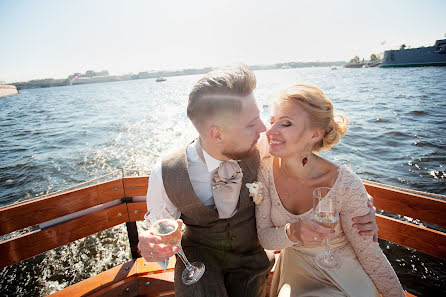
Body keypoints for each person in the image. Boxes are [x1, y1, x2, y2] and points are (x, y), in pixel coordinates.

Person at [138, 65, 379, 297]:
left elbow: (308, 163)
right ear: (217, 134)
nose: (264, 128)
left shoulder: (263, 147)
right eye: (252, 124)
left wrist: (360, 203)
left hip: (252, 263)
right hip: (199, 263)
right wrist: (152, 248)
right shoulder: (166, 173)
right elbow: (159, 236)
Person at [255, 84, 405, 297]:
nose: (270, 131)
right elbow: (266, 237)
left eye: (285, 123)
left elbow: (370, 254)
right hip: (296, 273)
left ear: (314, 134)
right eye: (272, 121)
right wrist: (292, 232)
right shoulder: (264, 168)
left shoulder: (345, 184)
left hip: (343, 275)